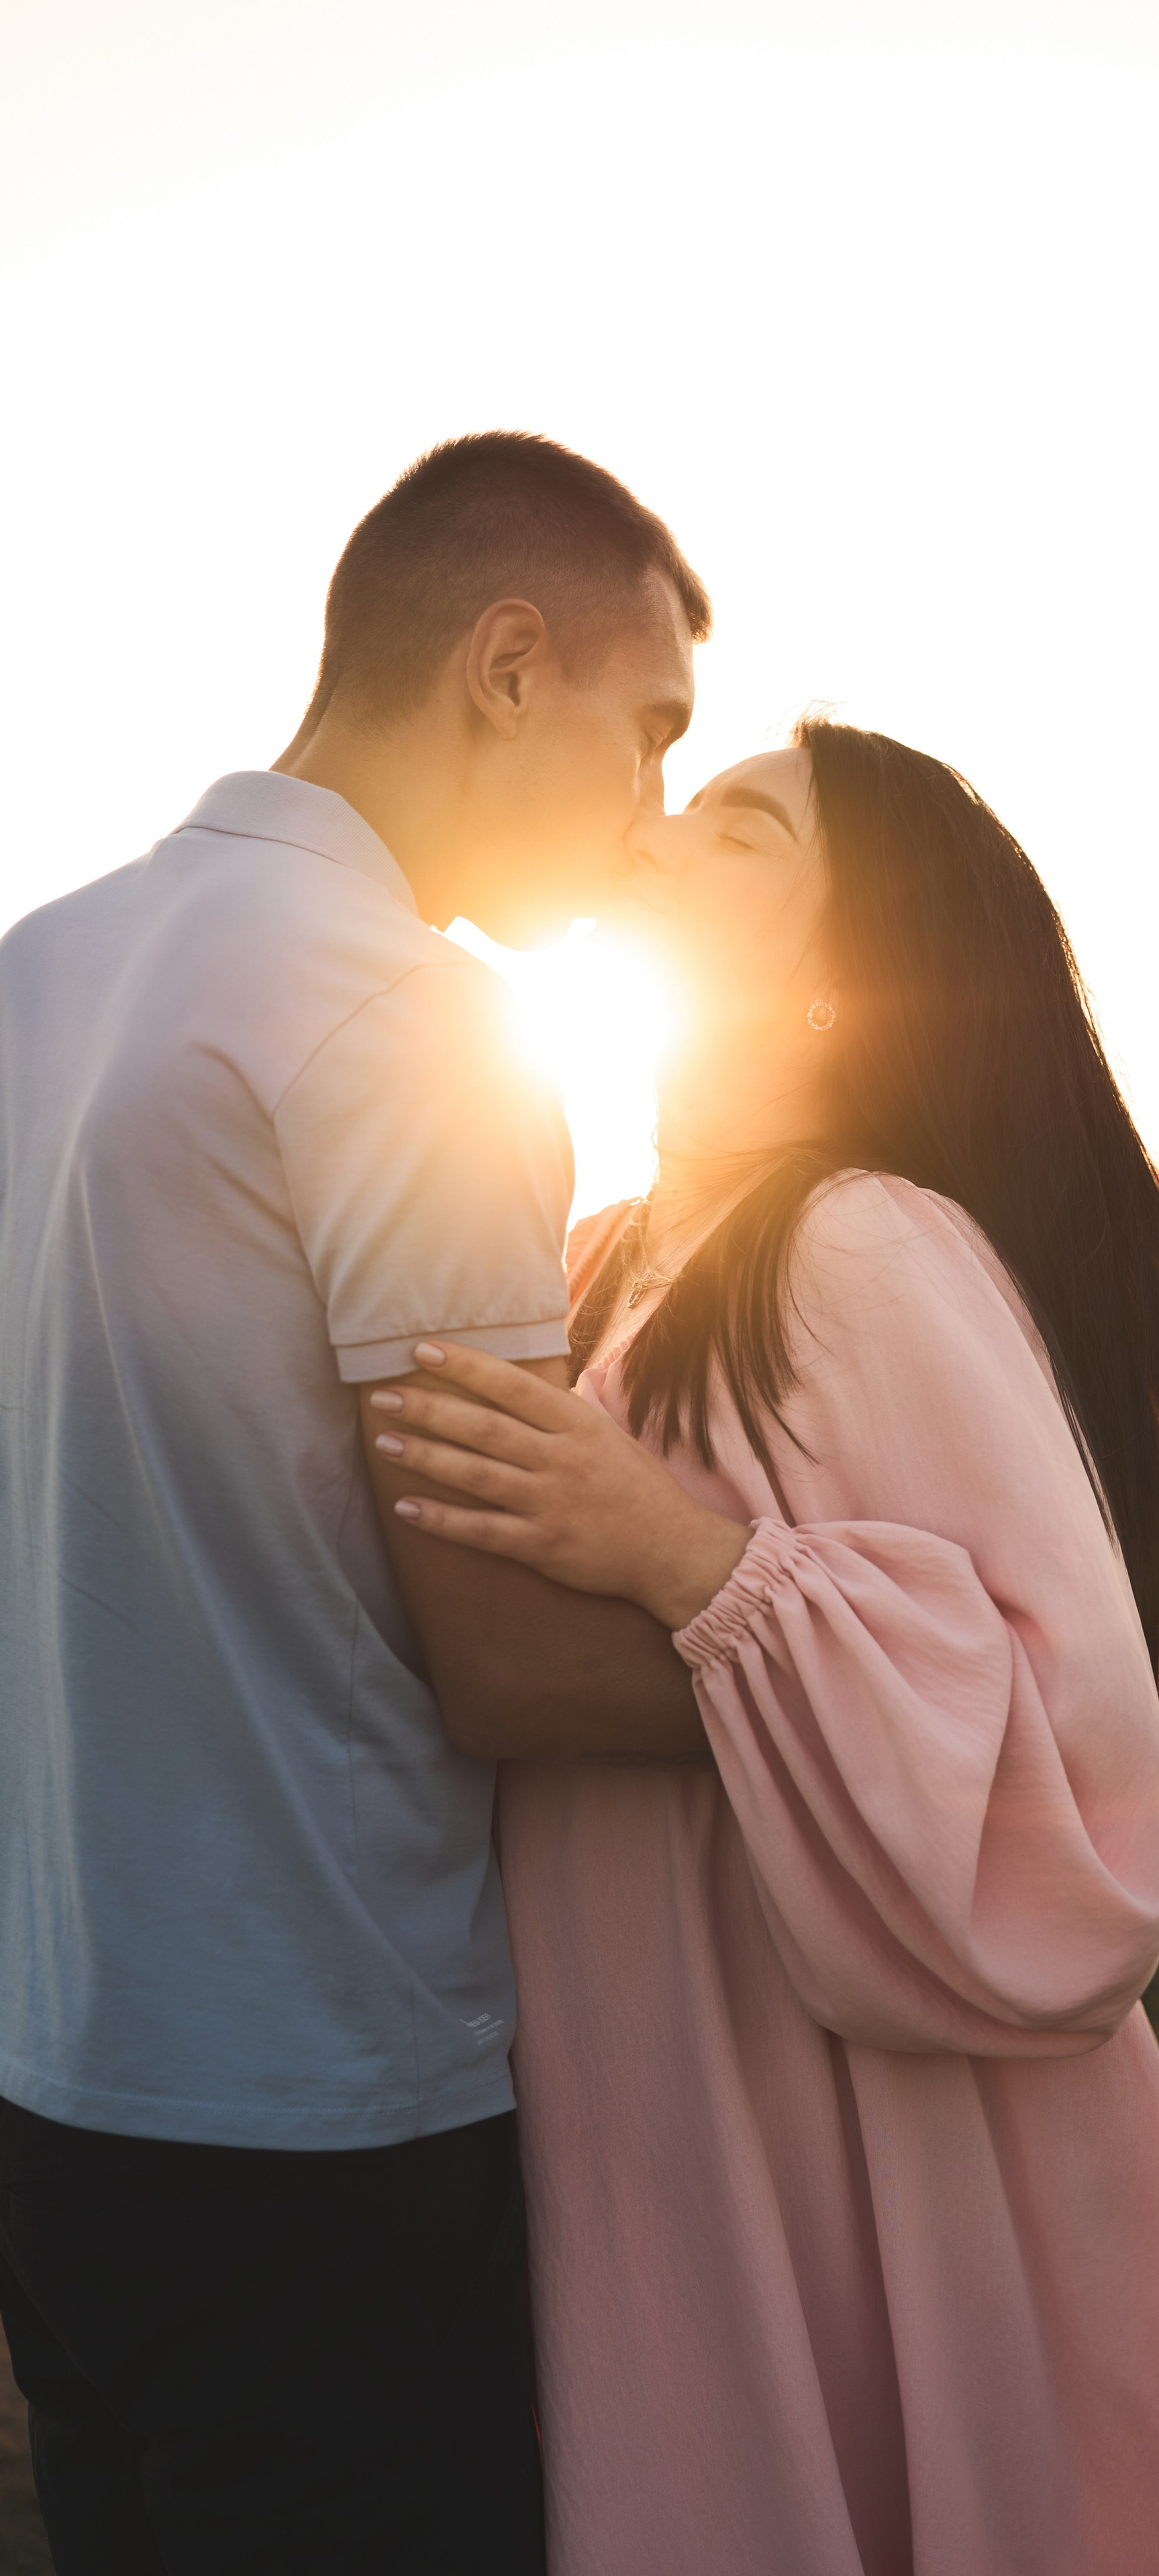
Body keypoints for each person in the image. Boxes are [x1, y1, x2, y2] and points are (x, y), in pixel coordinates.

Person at [366, 718, 1159, 2576]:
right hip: (658, 2069)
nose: (657, 830)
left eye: (738, 832)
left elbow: (1059, 1728)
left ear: (828, 984)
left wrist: (681, 1556)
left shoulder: (860, 1247)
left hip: (845, 2099)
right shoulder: (619, 1247)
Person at [0, 431, 711, 2574]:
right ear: (510, 664)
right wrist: (870, 1672)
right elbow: (497, 1650)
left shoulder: (39, 966)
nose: (658, 815)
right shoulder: (412, 1016)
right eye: (649, 729)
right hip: (321, 2128)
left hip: (59, 2086)